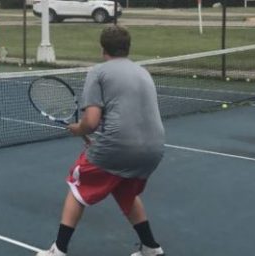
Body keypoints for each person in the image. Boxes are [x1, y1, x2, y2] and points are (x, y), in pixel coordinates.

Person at [37, 26, 166, 256]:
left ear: (102, 48)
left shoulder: (98, 72)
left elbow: (91, 122)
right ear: (128, 48)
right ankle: (151, 248)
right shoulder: (142, 72)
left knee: (76, 185)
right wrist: (100, 138)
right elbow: (128, 114)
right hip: (154, 148)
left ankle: (58, 250)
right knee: (125, 190)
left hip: (119, 147)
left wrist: (79, 129)